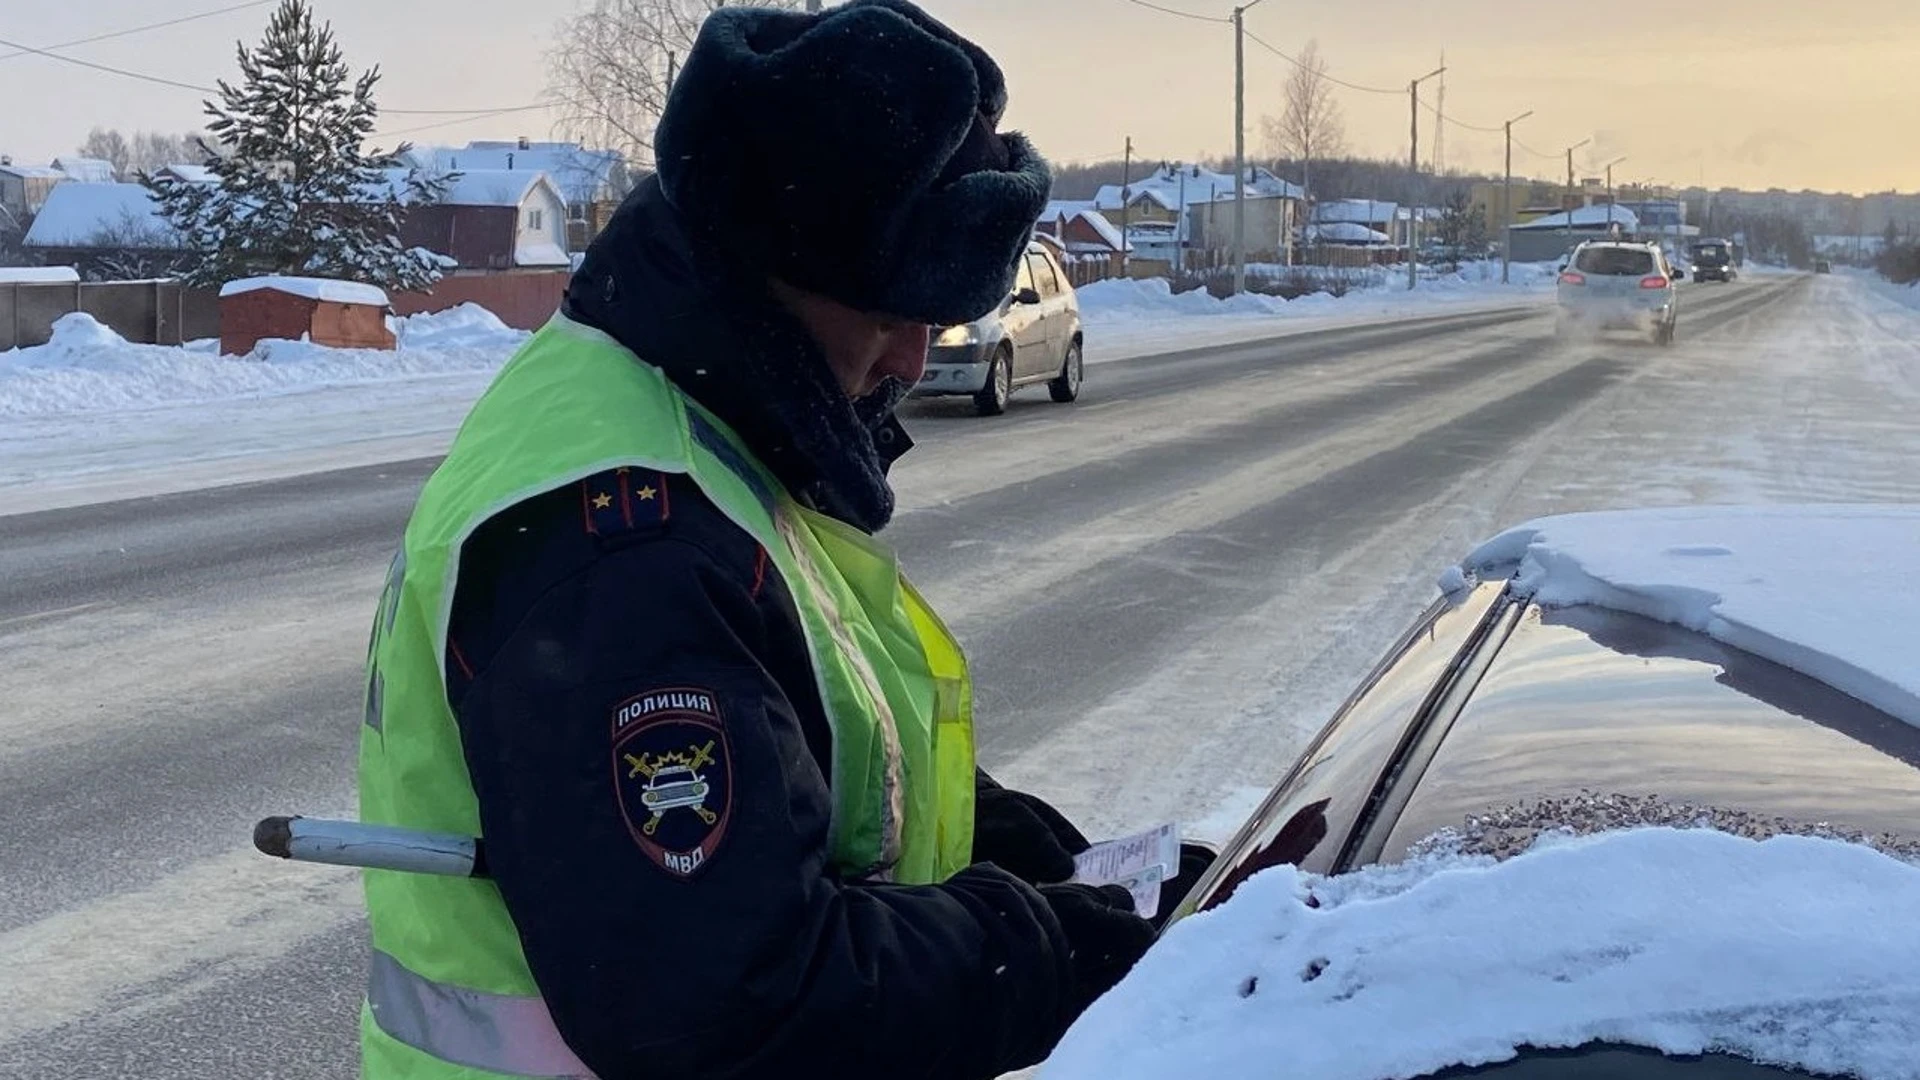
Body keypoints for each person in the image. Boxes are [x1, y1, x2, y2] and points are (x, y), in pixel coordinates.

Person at [356, 3, 1210, 1078]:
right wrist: (1064, 947)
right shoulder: (629, 547)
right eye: (896, 308)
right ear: (767, 275)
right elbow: (739, 1004)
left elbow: (831, 765)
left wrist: (1068, 870)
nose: (916, 355)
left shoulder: (690, 421)